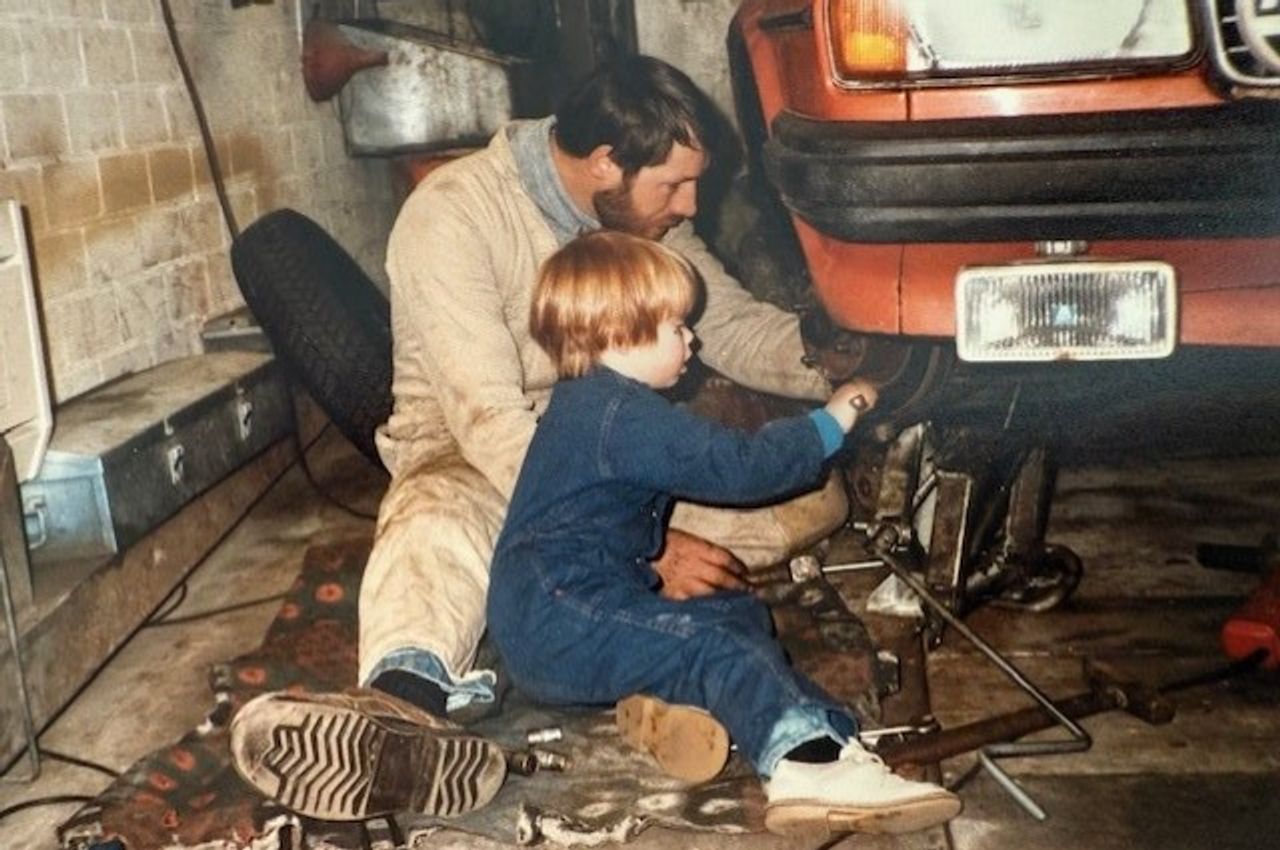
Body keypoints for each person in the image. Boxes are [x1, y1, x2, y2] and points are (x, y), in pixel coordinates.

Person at [229, 54, 852, 822]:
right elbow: (488, 417)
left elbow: (732, 325)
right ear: (603, 162)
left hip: (618, 456)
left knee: (815, 494)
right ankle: (400, 711)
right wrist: (641, 547)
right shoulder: (452, 215)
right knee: (433, 526)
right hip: (472, 448)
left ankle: (623, 649)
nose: (690, 204)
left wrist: (845, 368)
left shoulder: (640, 216)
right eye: (675, 186)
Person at [484, 230, 960, 837]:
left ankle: (733, 717)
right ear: (617, 333)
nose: (692, 339)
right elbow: (739, 467)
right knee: (713, 645)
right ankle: (806, 766)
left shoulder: (593, 406)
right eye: (676, 327)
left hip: (562, 613)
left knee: (733, 618)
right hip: (557, 616)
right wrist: (836, 417)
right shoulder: (617, 415)